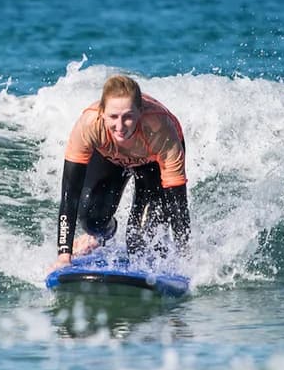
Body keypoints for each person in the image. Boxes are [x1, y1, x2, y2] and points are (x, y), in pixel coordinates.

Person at [48, 74, 190, 270]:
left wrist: (185, 255)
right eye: (113, 117)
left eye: (128, 117)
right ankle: (101, 236)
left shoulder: (161, 129)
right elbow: (69, 194)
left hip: (153, 163)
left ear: (140, 112)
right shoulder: (89, 125)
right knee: (91, 219)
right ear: (102, 112)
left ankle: (161, 249)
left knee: (141, 243)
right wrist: (64, 255)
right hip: (110, 156)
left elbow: (178, 202)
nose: (120, 126)